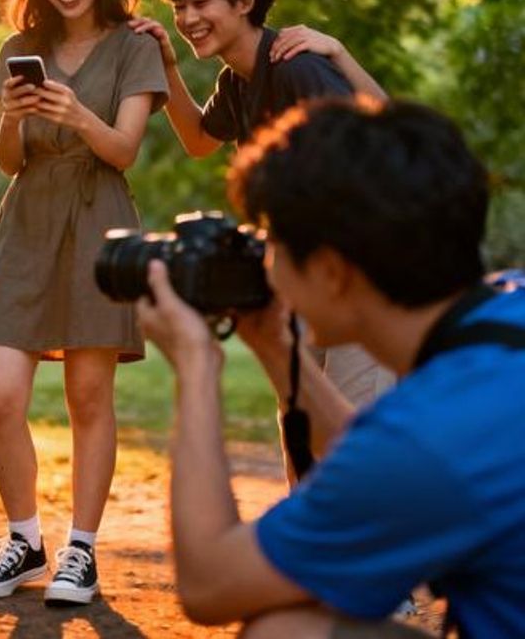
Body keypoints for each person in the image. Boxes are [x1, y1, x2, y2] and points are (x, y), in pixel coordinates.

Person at [137, 97, 525, 638]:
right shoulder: (506, 311)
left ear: (331, 271)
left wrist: (196, 365)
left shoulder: (427, 439)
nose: (266, 261)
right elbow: (386, 468)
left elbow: (209, 586)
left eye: (273, 241)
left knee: (284, 630)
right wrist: (278, 348)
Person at [0, 0, 168, 606]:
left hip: (98, 219)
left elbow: (123, 150)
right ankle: (23, 541)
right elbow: (6, 161)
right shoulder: (18, 45)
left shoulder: (136, 46)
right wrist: (16, 117)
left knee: (88, 395)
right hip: (27, 220)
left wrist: (77, 112)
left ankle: (81, 551)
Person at [130, 0, 394, 465]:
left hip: (357, 267)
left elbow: (380, 140)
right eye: (179, 5)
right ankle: (304, 545)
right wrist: (167, 65)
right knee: (299, 417)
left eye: (200, 1)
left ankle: (365, 541)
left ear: (244, 1)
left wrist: (339, 50)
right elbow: (201, 141)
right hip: (302, 266)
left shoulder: (296, 65)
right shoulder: (235, 81)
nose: (186, 16)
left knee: (350, 424)